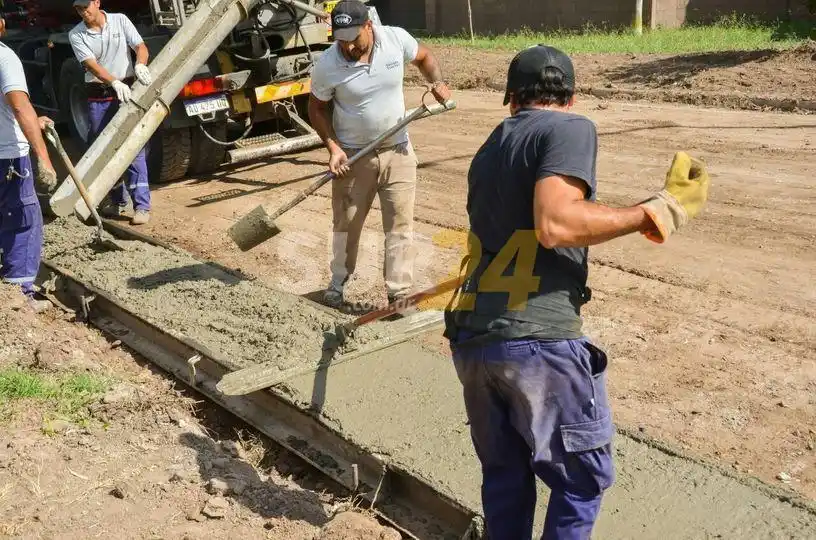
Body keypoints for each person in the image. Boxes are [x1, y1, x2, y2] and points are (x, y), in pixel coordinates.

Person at [443, 45, 711, 539]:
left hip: (477, 342)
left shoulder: (491, 145)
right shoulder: (570, 127)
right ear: (572, 96)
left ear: (510, 98)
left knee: (506, 479)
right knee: (581, 480)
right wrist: (659, 210)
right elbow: (556, 223)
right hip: (537, 343)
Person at [308, 0, 451, 309]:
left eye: (352, 38)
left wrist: (436, 82)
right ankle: (338, 282)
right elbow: (316, 108)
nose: (346, 46)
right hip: (353, 158)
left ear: (368, 26)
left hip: (398, 150)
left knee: (400, 224)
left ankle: (399, 293)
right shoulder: (328, 64)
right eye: (340, 39)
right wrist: (333, 147)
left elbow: (424, 56)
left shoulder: (395, 39)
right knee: (347, 223)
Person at [69, 0, 153, 225]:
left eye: (86, 6)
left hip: (127, 91)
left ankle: (142, 206)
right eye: (78, 9)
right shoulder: (76, 35)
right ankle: (117, 200)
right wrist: (114, 82)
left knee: (133, 146)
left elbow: (140, 47)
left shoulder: (120, 20)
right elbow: (91, 65)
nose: (83, 12)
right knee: (102, 149)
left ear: (97, 2)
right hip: (100, 95)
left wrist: (140, 64)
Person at [0, 17, 58, 312]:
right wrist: (44, 158)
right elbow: (19, 106)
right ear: (1, 25)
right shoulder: (4, 56)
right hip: (7, 156)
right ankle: (18, 299)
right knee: (23, 220)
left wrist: (36, 121)